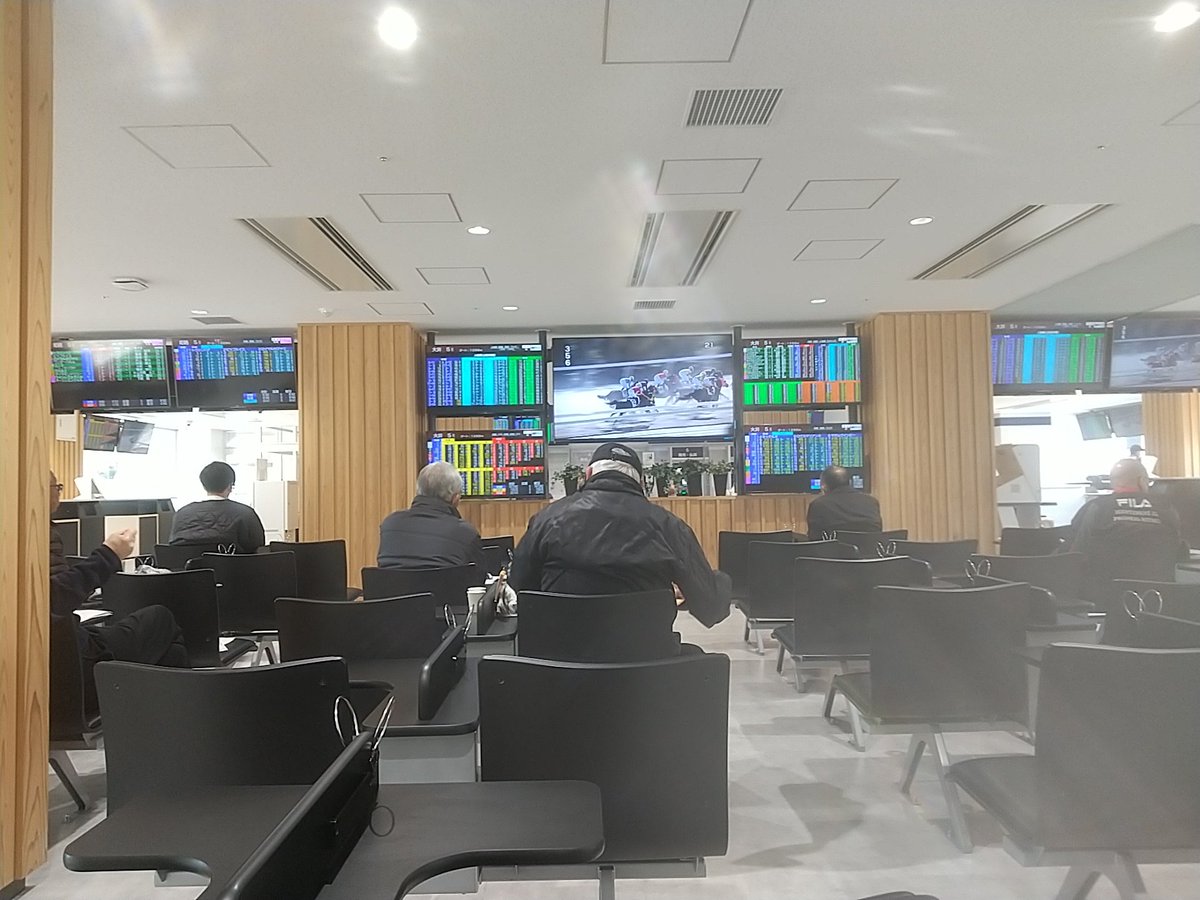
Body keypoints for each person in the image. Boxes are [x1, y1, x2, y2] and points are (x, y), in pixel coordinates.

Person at [509, 443, 730, 627]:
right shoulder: (669, 526)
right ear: (641, 482)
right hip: (647, 662)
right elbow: (712, 609)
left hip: (557, 660)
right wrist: (720, 579)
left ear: (587, 474)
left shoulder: (547, 519)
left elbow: (520, 588)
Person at [50, 472, 188, 710]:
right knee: (161, 619)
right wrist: (110, 554)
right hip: (70, 668)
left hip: (58, 657)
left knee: (168, 651)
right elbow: (54, 599)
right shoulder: (34, 535)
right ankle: (183, 715)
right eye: (56, 487)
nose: (59, 496)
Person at [1069, 458, 1186, 595]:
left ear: (1113, 483)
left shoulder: (1097, 507)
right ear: (1141, 480)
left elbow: (1076, 553)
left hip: (1106, 595)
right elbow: (1178, 547)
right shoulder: (1166, 507)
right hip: (1158, 596)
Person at [378, 461, 488, 574]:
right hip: (445, 586)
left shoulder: (389, 525)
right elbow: (479, 578)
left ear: (418, 490)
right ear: (455, 498)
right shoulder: (465, 533)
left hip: (394, 586)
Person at [169, 461, 266, 552]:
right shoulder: (246, 514)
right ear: (230, 486)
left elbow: (173, 548)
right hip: (233, 564)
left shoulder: (181, 514)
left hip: (187, 564)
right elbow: (258, 547)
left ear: (204, 485)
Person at [805, 465, 882, 539]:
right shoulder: (872, 502)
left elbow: (815, 540)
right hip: (870, 548)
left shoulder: (818, 505)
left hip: (834, 548)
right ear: (850, 482)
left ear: (824, 486)